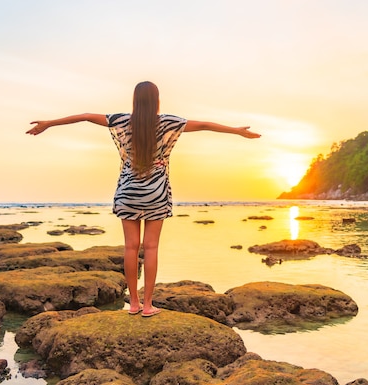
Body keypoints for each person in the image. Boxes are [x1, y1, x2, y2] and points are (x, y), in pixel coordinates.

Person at [26, 81, 260, 317]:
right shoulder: (168, 122)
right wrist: (237, 131)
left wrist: (49, 124)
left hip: (128, 191)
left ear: (135, 100)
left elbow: (86, 116)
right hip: (155, 192)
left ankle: (134, 304)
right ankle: (148, 306)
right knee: (151, 247)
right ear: (157, 100)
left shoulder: (121, 120)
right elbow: (205, 125)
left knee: (130, 247)